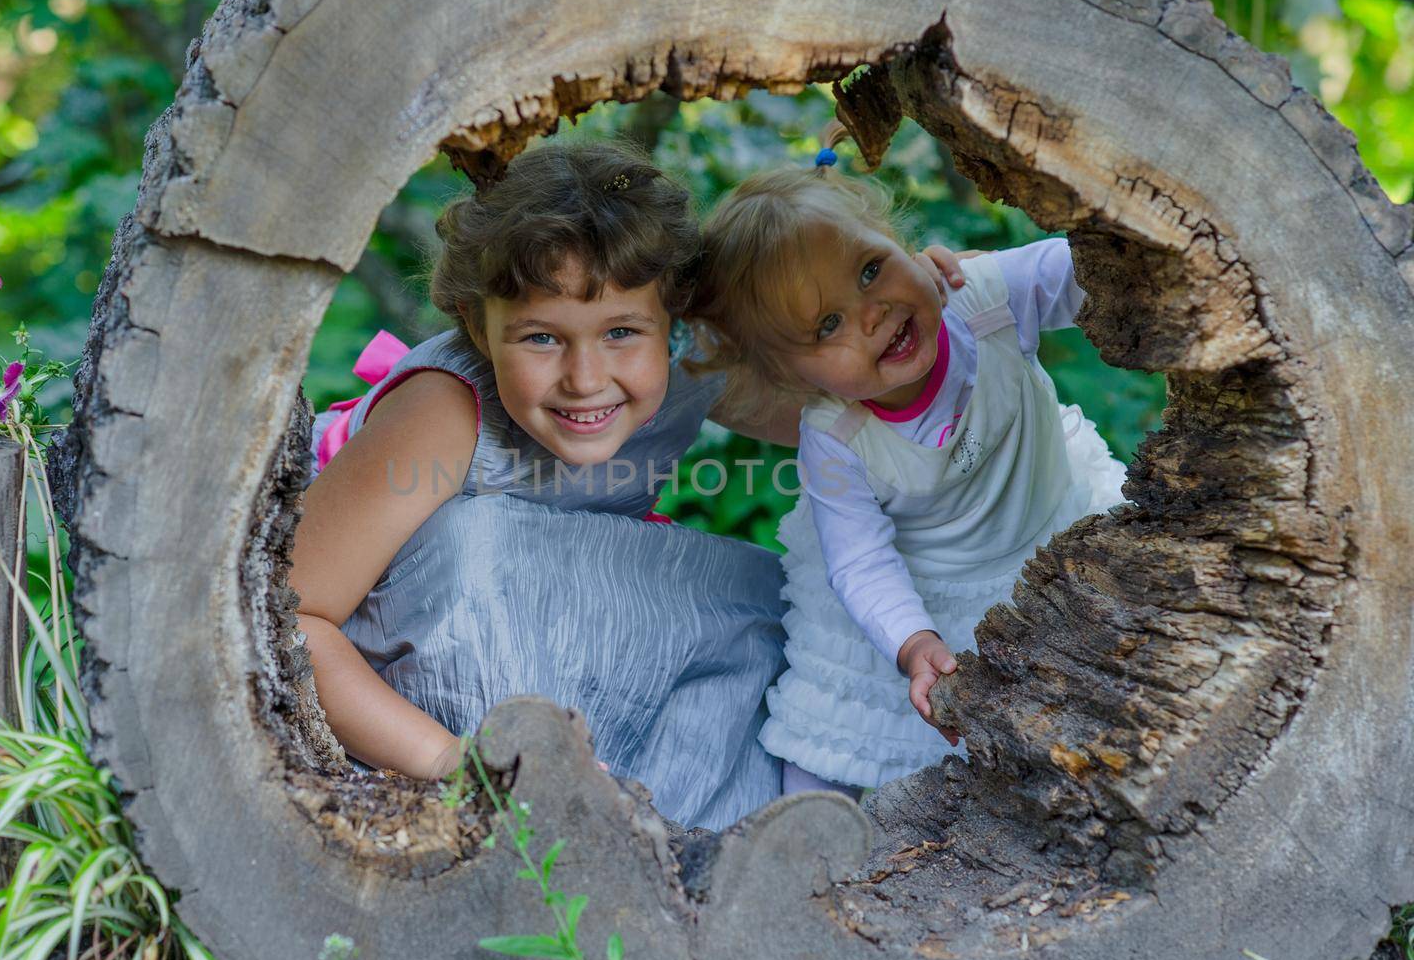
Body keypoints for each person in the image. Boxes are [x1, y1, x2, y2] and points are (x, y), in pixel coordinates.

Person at [289, 140, 807, 831]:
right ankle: (530, 792)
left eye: (621, 331)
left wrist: (953, 306)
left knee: (771, 606)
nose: (586, 378)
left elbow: (845, 403)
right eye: (540, 338)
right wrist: (458, 764)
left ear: (675, 323)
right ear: (478, 324)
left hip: (552, 623)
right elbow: (294, 616)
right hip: (424, 653)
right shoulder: (442, 412)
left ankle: (705, 834)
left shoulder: (686, 358)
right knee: (483, 541)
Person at [686, 132, 1127, 796]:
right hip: (920, 582)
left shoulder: (983, 298)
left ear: (898, 241)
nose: (872, 313)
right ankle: (808, 838)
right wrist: (912, 639)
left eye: (870, 268)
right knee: (844, 732)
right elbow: (861, 561)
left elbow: (1097, 275)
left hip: (1045, 525)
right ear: (791, 374)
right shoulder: (835, 435)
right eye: (826, 325)